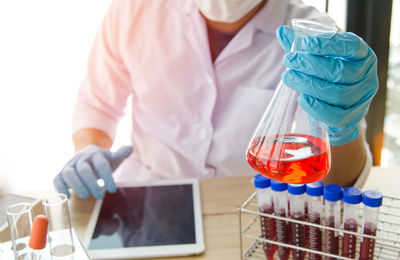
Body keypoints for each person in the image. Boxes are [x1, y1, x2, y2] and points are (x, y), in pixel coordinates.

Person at [54, 0, 378, 199]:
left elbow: (340, 183)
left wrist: (343, 129)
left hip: (253, 207)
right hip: (147, 198)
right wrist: (88, 150)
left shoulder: (316, 39)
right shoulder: (135, 9)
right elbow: (97, 105)